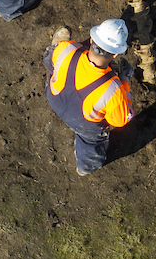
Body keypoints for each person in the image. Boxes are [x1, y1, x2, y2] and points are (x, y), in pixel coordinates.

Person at [44, 19, 135, 175]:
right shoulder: (114, 90)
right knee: (92, 142)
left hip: (54, 98)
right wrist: (124, 81)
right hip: (83, 125)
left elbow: (52, 59)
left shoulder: (68, 48)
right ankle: (86, 167)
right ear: (115, 55)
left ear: (91, 39)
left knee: (52, 55)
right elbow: (120, 121)